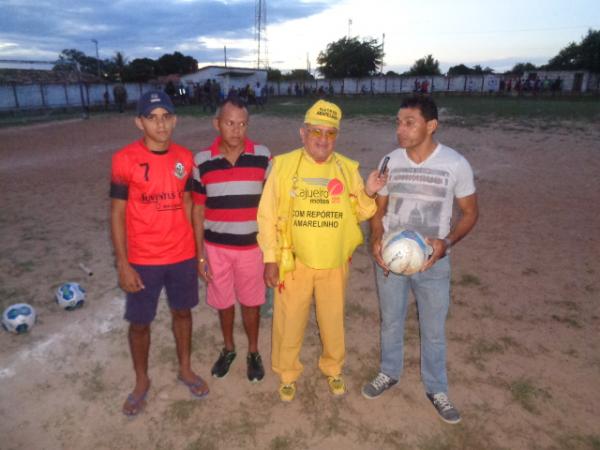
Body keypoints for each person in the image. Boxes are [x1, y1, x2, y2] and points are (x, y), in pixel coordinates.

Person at [257, 100, 387, 401]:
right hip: (294, 261)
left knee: (332, 320)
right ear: (303, 133)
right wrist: (270, 258)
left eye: (330, 133)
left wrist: (368, 191)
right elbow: (266, 215)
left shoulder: (345, 167)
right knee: (289, 320)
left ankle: (333, 368)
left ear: (336, 137)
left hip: (334, 262)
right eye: (316, 131)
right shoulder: (283, 165)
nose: (323, 139)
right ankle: (287, 372)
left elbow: (362, 211)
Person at [362, 96, 478, 424]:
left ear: (431, 126)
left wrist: (447, 243)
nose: (400, 129)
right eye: (398, 122)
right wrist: (375, 239)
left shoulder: (455, 163)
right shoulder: (391, 160)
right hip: (391, 260)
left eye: (409, 122)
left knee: (434, 328)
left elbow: (471, 213)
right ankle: (389, 372)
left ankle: (437, 388)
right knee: (391, 320)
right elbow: (378, 210)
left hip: (433, 262)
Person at [110, 91, 209, 417]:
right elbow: (117, 213)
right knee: (140, 323)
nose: (160, 123)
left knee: (183, 313)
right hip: (143, 258)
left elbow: (190, 204)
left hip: (180, 253)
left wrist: (198, 251)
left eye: (166, 116)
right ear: (139, 122)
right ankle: (141, 380)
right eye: (152, 117)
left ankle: (185, 368)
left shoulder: (185, 158)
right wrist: (123, 263)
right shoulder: (124, 159)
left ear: (175, 119)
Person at [192, 98, 271, 382]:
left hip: (252, 248)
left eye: (242, 124)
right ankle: (228, 349)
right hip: (216, 249)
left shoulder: (263, 156)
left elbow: (272, 203)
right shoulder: (201, 161)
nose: (237, 130)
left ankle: (253, 351)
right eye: (229, 123)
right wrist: (199, 255)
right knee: (224, 302)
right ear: (217, 124)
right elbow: (198, 208)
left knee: (251, 303)